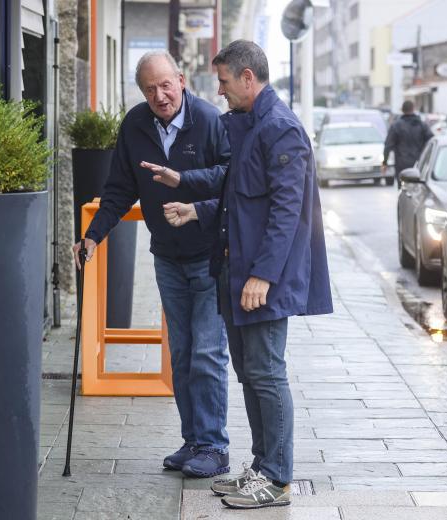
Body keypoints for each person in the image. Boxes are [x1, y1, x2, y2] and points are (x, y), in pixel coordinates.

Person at [160, 40, 333, 509]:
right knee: (250, 373)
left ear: (248, 79)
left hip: (261, 281)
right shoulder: (248, 128)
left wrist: (263, 276)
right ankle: (260, 468)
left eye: (224, 82)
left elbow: (286, 213)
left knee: (266, 373)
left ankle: (276, 480)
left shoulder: (281, 130)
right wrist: (196, 211)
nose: (220, 92)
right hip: (238, 274)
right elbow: (241, 203)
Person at [72, 51, 233, 478]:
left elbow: (230, 182)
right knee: (180, 353)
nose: (159, 95)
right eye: (149, 88)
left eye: (165, 85)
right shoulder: (136, 124)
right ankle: (193, 440)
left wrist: (192, 199)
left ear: (181, 80)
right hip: (167, 258)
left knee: (207, 353)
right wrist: (92, 237)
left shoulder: (209, 120)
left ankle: (215, 447)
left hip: (209, 257)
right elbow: (120, 188)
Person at [382, 100, 433, 187]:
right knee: (418, 188)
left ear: (402, 110)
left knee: (403, 189)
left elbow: (388, 146)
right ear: (413, 109)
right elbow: (431, 141)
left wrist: (385, 163)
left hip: (402, 165)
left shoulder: (396, 126)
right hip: (419, 163)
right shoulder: (421, 125)